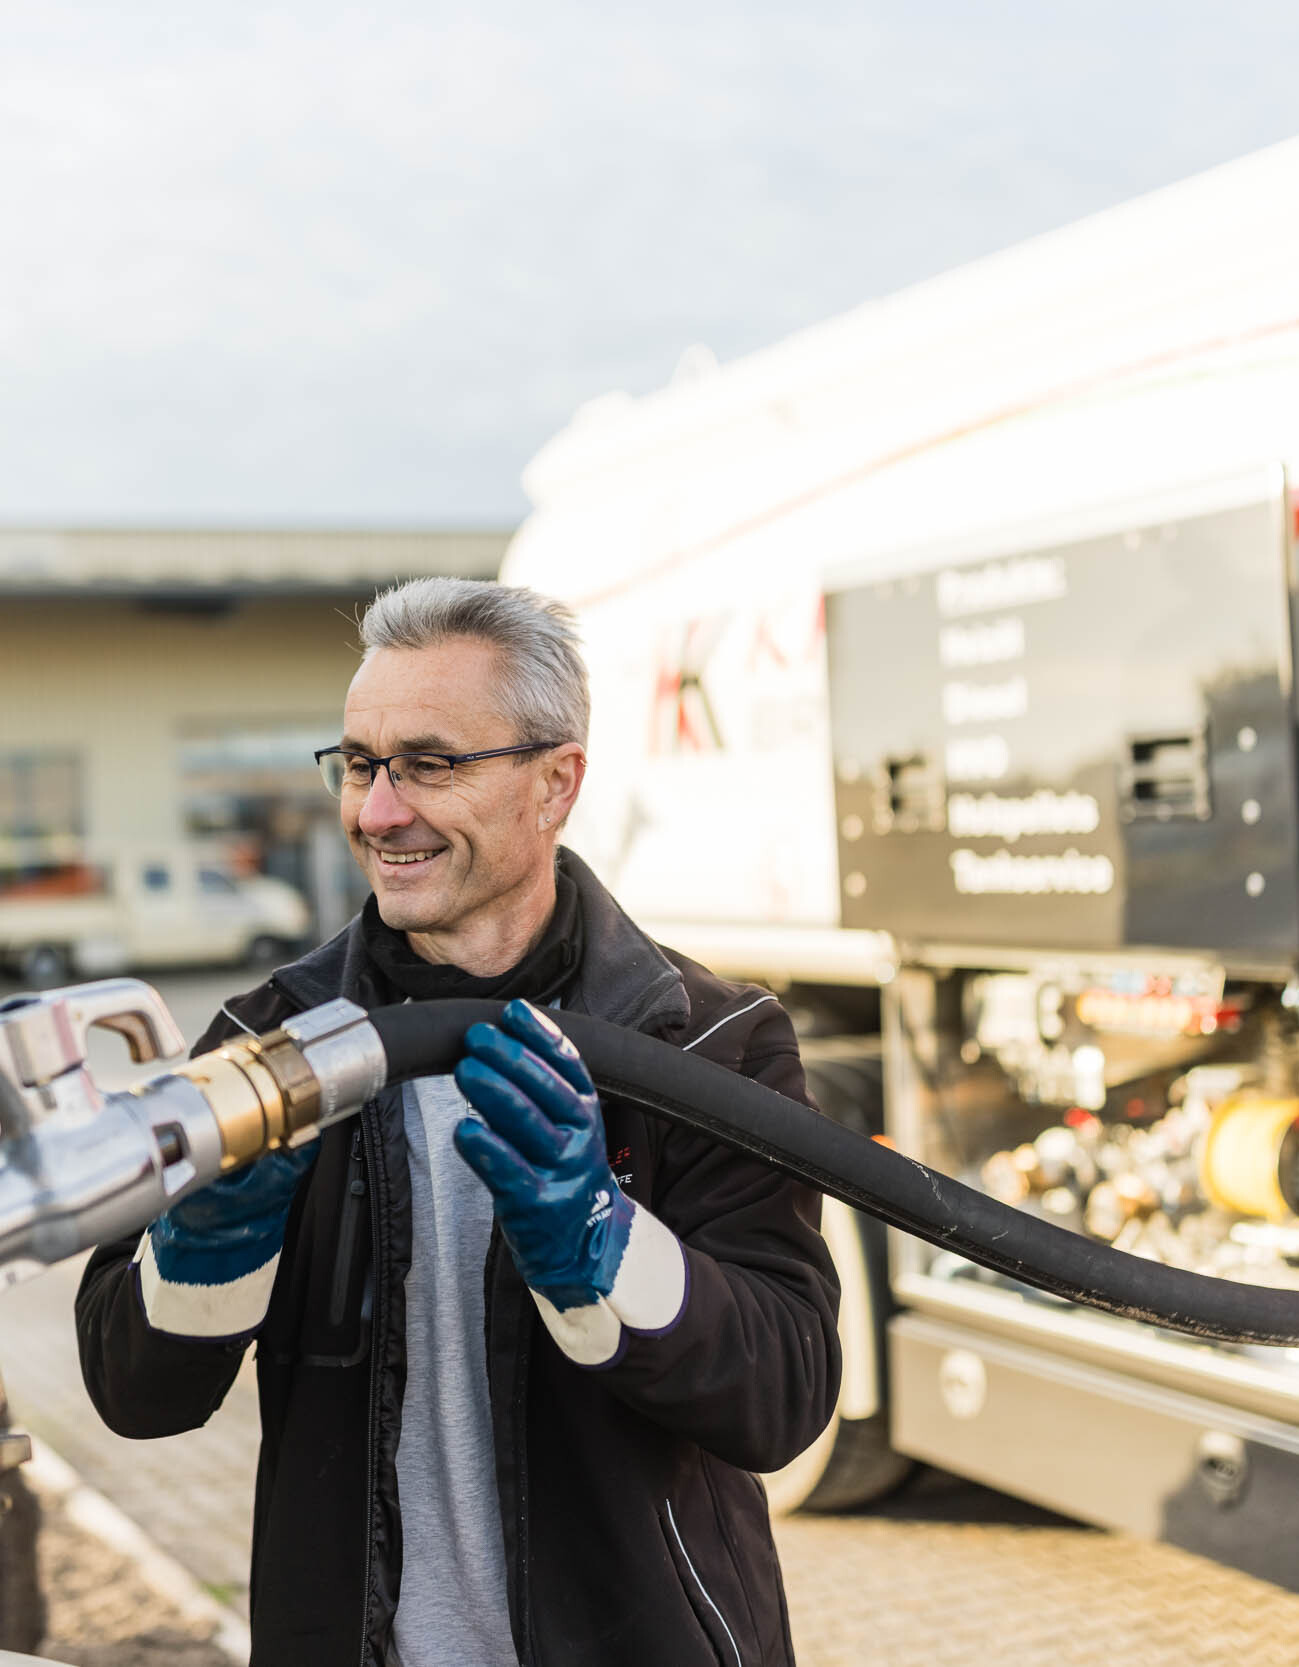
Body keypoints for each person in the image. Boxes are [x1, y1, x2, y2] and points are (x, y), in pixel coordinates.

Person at [76, 578, 841, 1666]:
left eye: (429, 763)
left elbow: (785, 1394)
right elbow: (132, 1393)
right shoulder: (269, 1041)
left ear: (555, 781)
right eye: (357, 763)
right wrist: (203, 1252)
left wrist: (607, 1251)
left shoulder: (704, 1045)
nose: (377, 812)